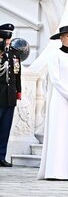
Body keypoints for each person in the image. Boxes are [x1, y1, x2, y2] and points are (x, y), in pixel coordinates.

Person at [37, 26, 68, 180]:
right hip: (60, 100)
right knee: (59, 133)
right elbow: (55, 79)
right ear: (61, 38)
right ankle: (55, 171)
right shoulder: (54, 55)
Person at [0, 23, 21, 167]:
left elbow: (17, 74)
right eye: (4, 39)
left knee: (5, 129)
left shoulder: (14, 53)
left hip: (9, 97)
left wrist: (18, 91)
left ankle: (1, 156)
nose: (7, 41)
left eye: (9, 39)